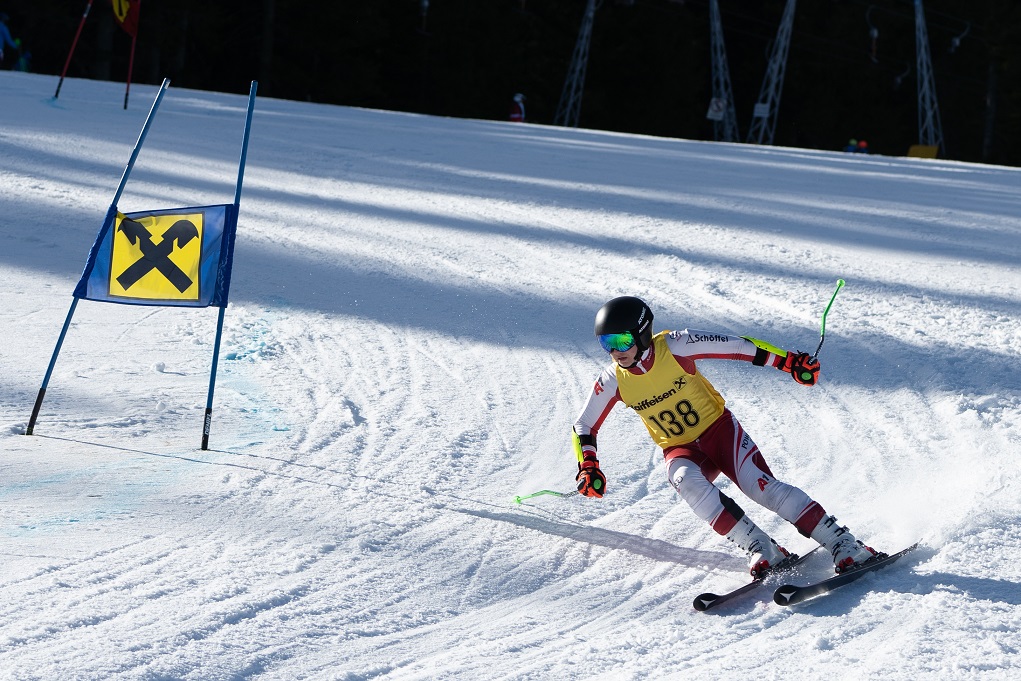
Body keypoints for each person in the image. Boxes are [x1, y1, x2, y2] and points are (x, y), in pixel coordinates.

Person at [572, 296, 880, 577]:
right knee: (683, 480)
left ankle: (843, 542)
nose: (616, 351)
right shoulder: (613, 380)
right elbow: (584, 425)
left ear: (641, 334)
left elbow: (740, 347)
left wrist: (789, 362)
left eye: (622, 340)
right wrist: (588, 465)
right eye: (606, 343)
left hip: (719, 431)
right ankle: (761, 546)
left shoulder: (676, 345)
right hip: (680, 448)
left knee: (760, 487)